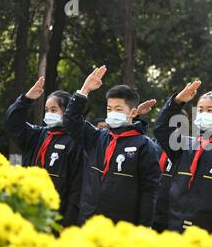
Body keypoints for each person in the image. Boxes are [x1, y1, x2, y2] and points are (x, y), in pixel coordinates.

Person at [63, 65, 161, 227]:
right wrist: (84, 89)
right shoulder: (96, 137)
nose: (112, 113)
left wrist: (143, 228)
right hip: (89, 222)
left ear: (133, 112)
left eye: (118, 109)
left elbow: (149, 191)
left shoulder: (144, 146)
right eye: (109, 109)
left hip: (122, 229)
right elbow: (70, 121)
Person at [153, 80, 212, 247]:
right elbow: (160, 128)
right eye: (200, 110)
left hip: (211, 234)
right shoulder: (182, 145)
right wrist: (176, 101)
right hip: (176, 228)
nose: (204, 114)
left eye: (210, 110)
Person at [4, 77, 83, 227]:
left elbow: (77, 185)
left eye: (54, 110)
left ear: (66, 112)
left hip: (58, 214)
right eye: (47, 110)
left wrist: (69, 221)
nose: (49, 114)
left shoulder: (76, 141)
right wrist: (26, 99)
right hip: (29, 207)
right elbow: (11, 124)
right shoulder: (38, 134)